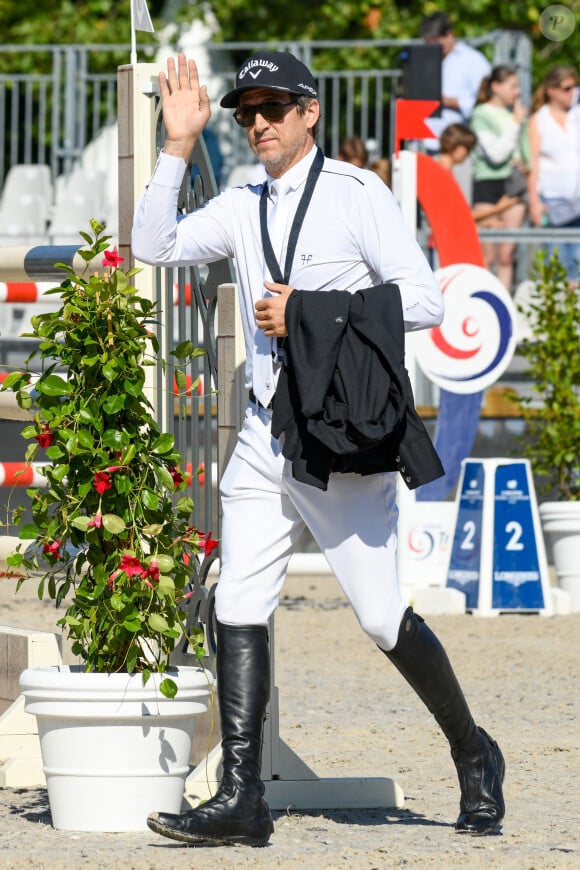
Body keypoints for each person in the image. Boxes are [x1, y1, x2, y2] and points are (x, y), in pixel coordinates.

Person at [132, 50, 505, 848]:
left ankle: (475, 755)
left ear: (311, 113)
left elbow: (427, 298)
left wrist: (308, 309)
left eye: (273, 106)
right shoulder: (240, 204)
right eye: (246, 111)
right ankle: (242, 797)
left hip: (339, 444)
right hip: (267, 437)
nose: (258, 121)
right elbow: (151, 246)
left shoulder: (357, 194)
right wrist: (176, 146)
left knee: (377, 618)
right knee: (238, 602)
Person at [470, 65, 528, 291]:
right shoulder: (481, 113)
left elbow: (520, 151)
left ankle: (504, 304)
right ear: (496, 86)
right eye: (513, 86)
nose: (517, 92)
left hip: (512, 184)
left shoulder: (514, 113)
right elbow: (496, 154)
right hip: (488, 184)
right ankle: (484, 302)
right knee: (488, 255)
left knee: (506, 255)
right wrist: (515, 124)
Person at [526, 65, 580, 281]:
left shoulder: (576, 115)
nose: (572, 93)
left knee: (577, 261)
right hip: (552, 200)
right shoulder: (539, 120)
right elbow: (533, 163)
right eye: (567, 88)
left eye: (575, 87)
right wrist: (534, 202)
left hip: (577, 198)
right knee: (557, 261)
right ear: (552, 90)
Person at [419, 11, 491, 153]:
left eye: (436, 40)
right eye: (429, 42)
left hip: (455, 144)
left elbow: (484, 99)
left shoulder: (473, 60)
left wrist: (447, 101)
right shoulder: (426, 59)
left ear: (450, 35)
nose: (432, 46)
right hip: (425, 141)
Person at [438, 122, 522, 225]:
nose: (468, 154)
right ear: (458, 146)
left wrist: (486, 222)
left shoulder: (443, 173)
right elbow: (458, 216)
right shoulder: (441, 175)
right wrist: (497, 209)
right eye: (467, 148)